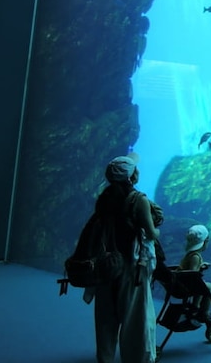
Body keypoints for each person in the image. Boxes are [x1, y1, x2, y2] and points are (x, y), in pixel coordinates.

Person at [91, 155, 160, 363]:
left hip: (106, 266)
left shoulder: (104, 198)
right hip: (131, 267)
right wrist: (157, 229)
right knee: (134, 321)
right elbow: (150, 232)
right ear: (131, 175)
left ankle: (105, 359)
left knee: (105, 321)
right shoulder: (138, 199)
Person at [178, 224, 211, 328]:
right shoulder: (196, 256)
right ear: (205, 241)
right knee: (209, 286)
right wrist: (200, 268)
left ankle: (196, 306)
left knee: (202, 284)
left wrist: (201, 266)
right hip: (187, 285)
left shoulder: (190, 254)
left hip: (181, 282)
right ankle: (203, 312)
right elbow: (192, 274)